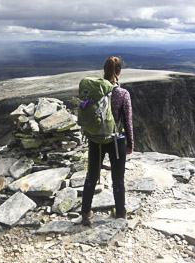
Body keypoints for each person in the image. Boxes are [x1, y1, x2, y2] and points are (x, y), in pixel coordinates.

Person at [81, 56, 134, 226]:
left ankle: (86, 213)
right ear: (119, 72)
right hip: (116, 140)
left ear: (104, 70)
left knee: (92, 176)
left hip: (96, 139)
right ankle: (120, 212)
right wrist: (130, 144)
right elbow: (128, 121)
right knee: (118, 178)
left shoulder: (95, 91)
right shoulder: (123, 94)